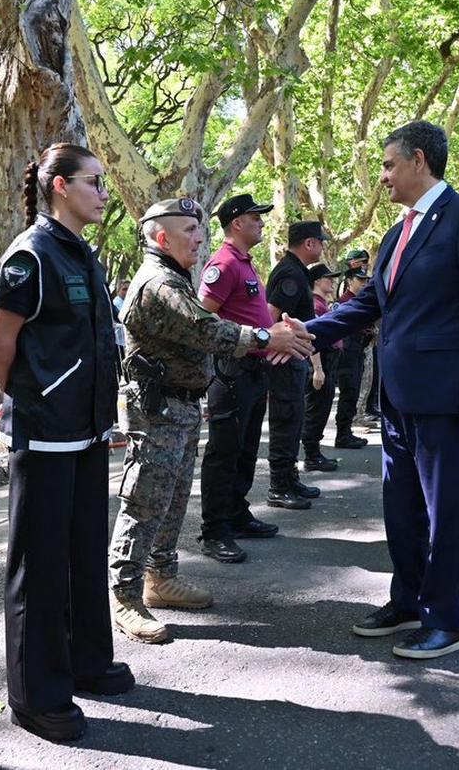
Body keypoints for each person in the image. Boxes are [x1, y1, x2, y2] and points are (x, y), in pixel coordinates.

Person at [303, 120, 459, 659]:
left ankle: (447, 618)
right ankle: (408, 599)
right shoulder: (397, 233)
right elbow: (370, 303)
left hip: (448, 395)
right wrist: (305, 333)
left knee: (444, 511)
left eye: (388, 164)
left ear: (419, 160)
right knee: (400, 508)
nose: (382, 176)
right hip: (398, 397)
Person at [109, 198, 311, 643]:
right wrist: (263, 335)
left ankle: (159, 578)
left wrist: (270, 335)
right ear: (162, 238)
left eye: (199, 229)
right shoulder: (158, 283)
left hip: (179, 406)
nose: (199, 238)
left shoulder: (176, 278)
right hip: (157, 409)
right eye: (189, 231)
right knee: (143, 503)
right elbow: (207, 330)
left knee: (172, 498)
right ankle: (124, 596)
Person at [0, 143, 131, 742]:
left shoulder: (81, 253)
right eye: (94, 181)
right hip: (46, 433)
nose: (104, 191)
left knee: (83, 553)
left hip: (87, 429)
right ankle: (35, 695)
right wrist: (19, 399)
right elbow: (1, 342)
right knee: (40, 567)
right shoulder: (31, 255)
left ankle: (86, 661)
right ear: (60, 187)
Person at [197, 193, 284, 563]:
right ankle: (214, 531)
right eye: (255, 217)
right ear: (237, 223)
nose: (261, 222)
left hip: (252, 370)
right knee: (224, 452)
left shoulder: (245, 263)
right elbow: (204, 317)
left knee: (246, 448)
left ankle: (236, 513)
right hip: (231, 372)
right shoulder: (224, 264)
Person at [265, 221, 330, 508]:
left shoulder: (297, 271)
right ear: (309, 243)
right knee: (286, 419)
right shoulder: (290, 273)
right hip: (284, 359)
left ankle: (289, 478)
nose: (323, 246)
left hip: (295, 358)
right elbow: (270, 317)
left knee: (295, 419)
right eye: (320, 241)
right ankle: (279, 485)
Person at [301, 262, 343, 471]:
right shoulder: (314, 305)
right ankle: (311, 455)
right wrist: (317, 368)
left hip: (330, 362)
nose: (333, 282)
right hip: (322, 362)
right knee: (316, 410)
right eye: (329, 278)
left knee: (322, 408)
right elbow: (312, 340)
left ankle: (315, 451)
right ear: (317, 281)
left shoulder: (322, 303)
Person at [333, 267, 371, 449]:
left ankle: (346, 431)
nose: (364, 284)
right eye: (360, 280)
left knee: (354, 391)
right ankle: (342, 434)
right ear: (349, 281)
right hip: (348, 351)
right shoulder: (344, 302)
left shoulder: (361, 301)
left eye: (365, 281)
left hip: (358, 349)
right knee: (349, 391)